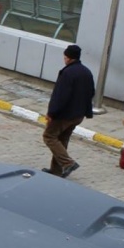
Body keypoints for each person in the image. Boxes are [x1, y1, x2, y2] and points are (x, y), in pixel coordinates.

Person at [42, 44, 94, 178]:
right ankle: (56, 171)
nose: (64, 60)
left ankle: (68, 163)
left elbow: (60, 96)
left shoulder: (67, 73)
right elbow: (91, 92)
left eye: (65, 57)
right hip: (78, 115)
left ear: (69, 58)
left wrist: (51, 113)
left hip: (64, 114)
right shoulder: (87, 72)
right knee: (62, 139)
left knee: (49, 136)